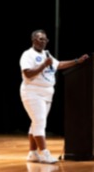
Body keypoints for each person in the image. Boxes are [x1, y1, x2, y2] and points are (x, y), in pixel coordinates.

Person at [19, 29, 89, 164]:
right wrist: (43, 65)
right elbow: (27, 73)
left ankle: (33, 153)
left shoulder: (47, 53)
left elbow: (58, 64)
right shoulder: (27, 55)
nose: (44, 41)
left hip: (47, 94)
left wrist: (77, 61)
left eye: (46, 39)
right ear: (33, 39)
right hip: (33, 92)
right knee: (40, 122)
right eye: (41, 39)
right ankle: (44, 153)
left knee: (36, 122)